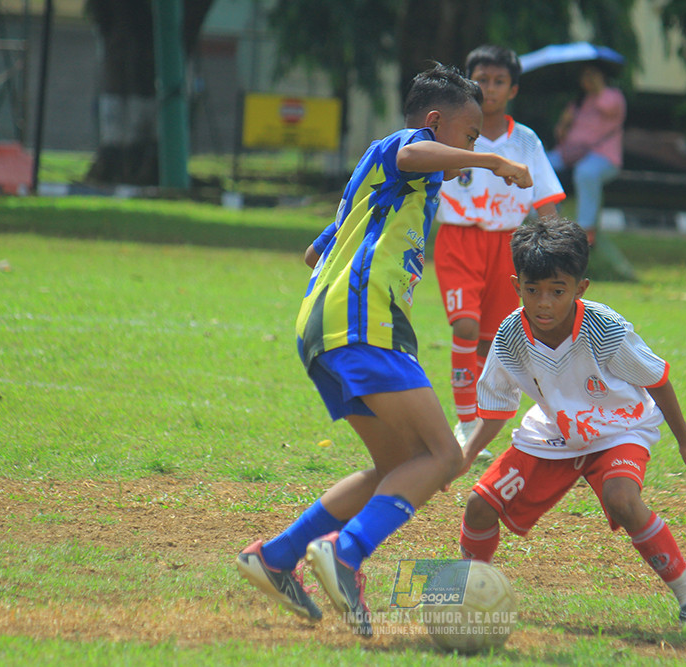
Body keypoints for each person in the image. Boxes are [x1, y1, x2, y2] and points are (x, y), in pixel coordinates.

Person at [236, 63, 533, 637]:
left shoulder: (372, 190)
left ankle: (276, 556)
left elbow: (312, 252)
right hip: (363, 322)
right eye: (469, 134)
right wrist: (490, 160)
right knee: (445, 456)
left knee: (400, 467)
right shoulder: (403, 150)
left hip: (325, 326)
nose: (474, 144)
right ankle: (345, 553)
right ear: (431, 122)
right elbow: (413, 156)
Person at [454, 216, 686, 633]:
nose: (543, 302)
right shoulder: (510, 335)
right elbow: (496, 407)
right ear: (516, 286)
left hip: (620, 428)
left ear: (580, 289)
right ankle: (461, 598)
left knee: (622, 498)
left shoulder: (604, 328)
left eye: (557, 291)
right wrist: (467, 454)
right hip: (553, 433)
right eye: (532, 290)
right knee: (478, 507)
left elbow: (657, 380)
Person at [434, 45, 566, 456]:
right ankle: (466, 421)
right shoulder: (450, 133)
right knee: (466, 328)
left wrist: (559, 253)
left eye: (498, 82)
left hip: (507, 246)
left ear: (513, 89)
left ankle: (485, 420)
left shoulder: (525, 141)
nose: (489, 89)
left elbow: (546, 204)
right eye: (482, 81)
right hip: (459, 240)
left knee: (492, 342)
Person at [546, 61, 635, 280]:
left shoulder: (612, 96)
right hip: (571, 154)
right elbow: (562, 133)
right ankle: (542, 210)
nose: (587, 80)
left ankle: (587, 230)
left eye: (592, 75)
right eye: (585, 76)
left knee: (586, 174)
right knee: (543, 164)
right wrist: (564, 125)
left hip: (603, 156)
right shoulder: (579, 102)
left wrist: (597, 87)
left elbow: (608, 108)